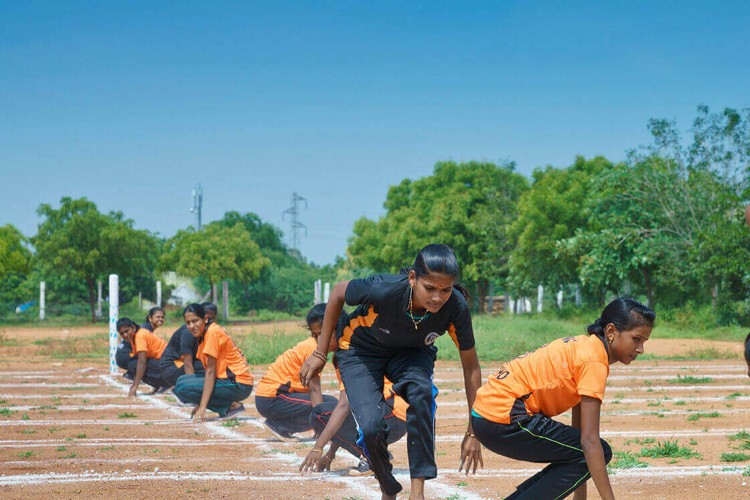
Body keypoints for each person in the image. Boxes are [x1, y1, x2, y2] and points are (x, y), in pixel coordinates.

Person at [299, 244, 483, 500]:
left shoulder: (455, 308)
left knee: (422, 392)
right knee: (372, 428)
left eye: (445, 289)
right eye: (429, 288)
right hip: (361, 349)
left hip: (411, 352)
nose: (437, 298)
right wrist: (320, 352)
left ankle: (417, 493)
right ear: (412, 279)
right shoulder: (384, 289)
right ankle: (389, 488)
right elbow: (339, 291)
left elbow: (471, 367)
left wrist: (474, 431)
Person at [471, 297, 656, 500]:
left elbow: (580, 434)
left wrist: (580, 496)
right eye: (636, 339)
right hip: (504, 417)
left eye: (644, 342)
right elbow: (589, 442)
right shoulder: (594, 361)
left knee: (581, 452)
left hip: (487, 415)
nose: (640, 349)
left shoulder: (587, 348)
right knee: (600, 451)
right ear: (611, 331)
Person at [300, 356, 408, 477]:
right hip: (393, 417)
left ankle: (373, 457)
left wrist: (318, 447)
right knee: (329, 412)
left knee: (320, 414)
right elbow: (347, 415)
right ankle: (374, 455)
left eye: (324, 337)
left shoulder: (347, 356)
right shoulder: (344, 354)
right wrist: (330, 454)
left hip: (391, 414)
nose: (321, 343)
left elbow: (344, 407)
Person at [256, 304, 338, 441]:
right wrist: (321, 425)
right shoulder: (313, 348)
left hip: (273, 396)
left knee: (327, 404)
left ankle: (282, 425)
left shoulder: (313, 345)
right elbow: (314, 390)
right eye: (317, 334)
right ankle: (281, 426)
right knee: (331, 405)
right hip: (272, 397)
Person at [173, 303, 253, 421]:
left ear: (205, 318)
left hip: (238, 383)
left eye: (195, 321)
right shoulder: (203, 335)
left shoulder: (212, 332)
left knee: (182, 388)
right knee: (181, 381)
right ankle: (228, 405)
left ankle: (230, 407)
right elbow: (208, 371)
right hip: (227, 380)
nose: (191, 326)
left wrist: (202, 406)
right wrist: (197, 401)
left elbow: (210, 372)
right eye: (188, 323)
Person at [159, 303, 216, 387]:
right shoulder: (189, 332)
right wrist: (191, 389)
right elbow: (187, 364)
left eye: (212, 318)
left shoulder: (208, 330)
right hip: (172, 367)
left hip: (188, 362)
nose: (209, 320)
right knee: (210, 369)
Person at [117, 317, 169, 396]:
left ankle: (167, 383)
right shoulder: (133, 338)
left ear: (133, 328)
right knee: (133, 365)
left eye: (127, 331)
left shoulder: (140, 336)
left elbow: (142, 362)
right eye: (122, 333)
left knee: (134, 366)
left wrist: (134, 386)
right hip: (162, 361)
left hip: (169, 363)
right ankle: (160, 384)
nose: (125, 335)